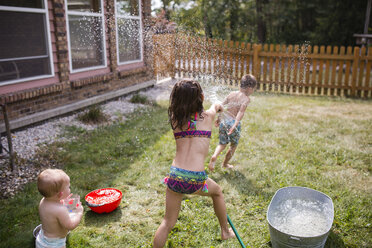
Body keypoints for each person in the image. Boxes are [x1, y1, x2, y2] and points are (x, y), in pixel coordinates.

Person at [153, 79, 235, 248]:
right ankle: (225, 232)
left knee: (167, 223)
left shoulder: (175, 119)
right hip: (195, 178)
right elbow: (216, 107)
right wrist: (218, 107)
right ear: (202, 98)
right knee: (217, 192)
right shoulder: (208, 116)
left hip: (175, 176)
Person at [209, 74, 257, 171]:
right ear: (249, 88)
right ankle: (225, 164)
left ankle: (215, 155)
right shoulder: (246, 99)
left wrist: (219, 118)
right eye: (253, 89)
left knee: (222, 144)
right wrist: (236, 123)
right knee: (233, 145)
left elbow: (221, 106)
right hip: (233, 124)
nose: (253, 91)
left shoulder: (231, 94)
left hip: (224, 122)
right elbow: (241, 112)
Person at [36, 169, 83, 248]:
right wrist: (79, 213)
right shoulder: (61, 210)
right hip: (55, 244)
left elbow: (53, 208)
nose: (69, 189)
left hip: (42, 239)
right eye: (68, 187)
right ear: (60, 194)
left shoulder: (43, 201)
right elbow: (70, 225)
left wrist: (63, 202)